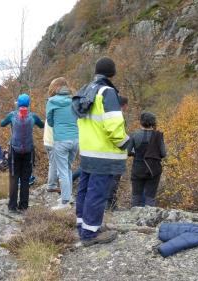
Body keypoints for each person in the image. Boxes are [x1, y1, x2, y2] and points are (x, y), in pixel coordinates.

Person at [72, 57, 128, 246]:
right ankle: (90, 233)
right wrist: (126, 143)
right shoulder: (107, 92)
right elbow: (114, 127)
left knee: (85, 190)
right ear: (112, 73)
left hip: (87, 151)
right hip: (103, 153)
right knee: (97, 193)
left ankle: (84, 225)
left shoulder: (86, 89)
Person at [1, 93, 44, 213]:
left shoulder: (12, 115)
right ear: (29, 104)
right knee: (25, 179)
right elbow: (42, 125)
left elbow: (2, 124)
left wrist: (9, 120)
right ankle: (24, 206)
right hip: (29, 151)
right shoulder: (33, 116)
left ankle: (12, 206)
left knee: (14, 178)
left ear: (18, 103)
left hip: (14, 151)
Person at [46, 77, 79, 209]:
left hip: (61, 140)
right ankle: (69, 196)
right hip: (76, 139)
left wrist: (58, 124)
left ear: (55, 87)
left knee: (62, 171)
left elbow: (50, 121)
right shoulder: (75, 100)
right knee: (68, 168)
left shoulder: (52, 101)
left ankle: (65, 202)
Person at [128, 111, 166, 207]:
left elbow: (128, 152)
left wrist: (135, 154)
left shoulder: (134, 135)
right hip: (153, 170)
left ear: (141, 122)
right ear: (153, 123)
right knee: (150, 197)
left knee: (136, 196)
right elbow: (163, 153)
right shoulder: (158, 135)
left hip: (138, 168)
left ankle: (133, 218)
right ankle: (148, 220)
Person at [106, 95, 129, 211]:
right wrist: (128, 143)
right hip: (116, 153)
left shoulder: (107, 114)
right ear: (124, 105)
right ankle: (110, 205)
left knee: (109, 179)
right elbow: (119, 136)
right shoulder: (119, 116)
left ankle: (109, 203)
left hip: (107, 152)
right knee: (114, 180)